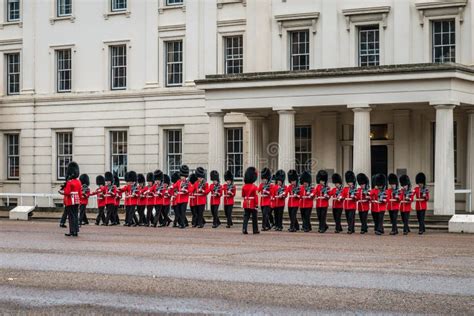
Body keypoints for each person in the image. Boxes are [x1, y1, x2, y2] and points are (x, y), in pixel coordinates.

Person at [59, 161, 81, 237]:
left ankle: (72, 231)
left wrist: (61, 192)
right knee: (75, 216)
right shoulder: (78, 181)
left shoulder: (69, 182)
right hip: (77, 200)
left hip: (70, 201)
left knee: (71, 217)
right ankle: (76, 231)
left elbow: (67, 192)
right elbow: (80, 192)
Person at [242, 166, 259, 234]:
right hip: (252, 204)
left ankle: (244, 228)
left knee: (246, 217)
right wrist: (257, 205)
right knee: (254, 218)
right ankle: (255, 230)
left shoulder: (244, 186)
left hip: (246, 203)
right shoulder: (255, 187)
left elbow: (243, 195)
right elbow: (256, 196)